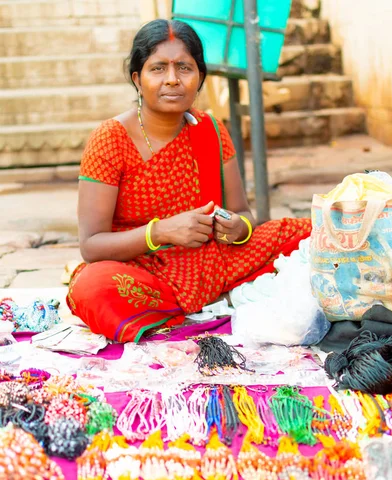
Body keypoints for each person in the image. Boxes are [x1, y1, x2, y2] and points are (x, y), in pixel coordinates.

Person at [67, 18, 311, 343]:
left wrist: (238, 228)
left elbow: (244, 214)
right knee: (94, 287)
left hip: (216, 260)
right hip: (147, 269)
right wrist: (161, 231)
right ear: (137, 79)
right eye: (158, 69)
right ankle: (222, 303)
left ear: (199, 77)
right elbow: (91, 246)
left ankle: (211, 304)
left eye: (184, 67)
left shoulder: (210, 130)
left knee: (306, 235)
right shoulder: (110, 139)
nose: (172, 80)